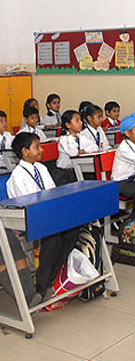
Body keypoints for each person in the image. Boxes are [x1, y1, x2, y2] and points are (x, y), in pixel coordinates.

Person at [5, 133, 79, 303]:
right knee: (53, 237)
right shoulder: (18, 175)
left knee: (72, 231)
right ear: (24, 151)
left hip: (47, 212)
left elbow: (52, 190)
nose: (41, 150)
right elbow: (28, 202)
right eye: (36, 147)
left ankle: (52, 275)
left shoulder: (41, 168)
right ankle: (41, 285)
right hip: (28, 217)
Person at [55, 110, 95, 185]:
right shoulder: (64, 139)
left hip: (76, 170)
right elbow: (73, 153)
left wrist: (84, 150)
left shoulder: (81, 136)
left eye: (81, 120)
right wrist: (71, 137)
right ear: (68, 125)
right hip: (64, 173)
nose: (81, 122)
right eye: (77, 120)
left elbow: (94, 146)